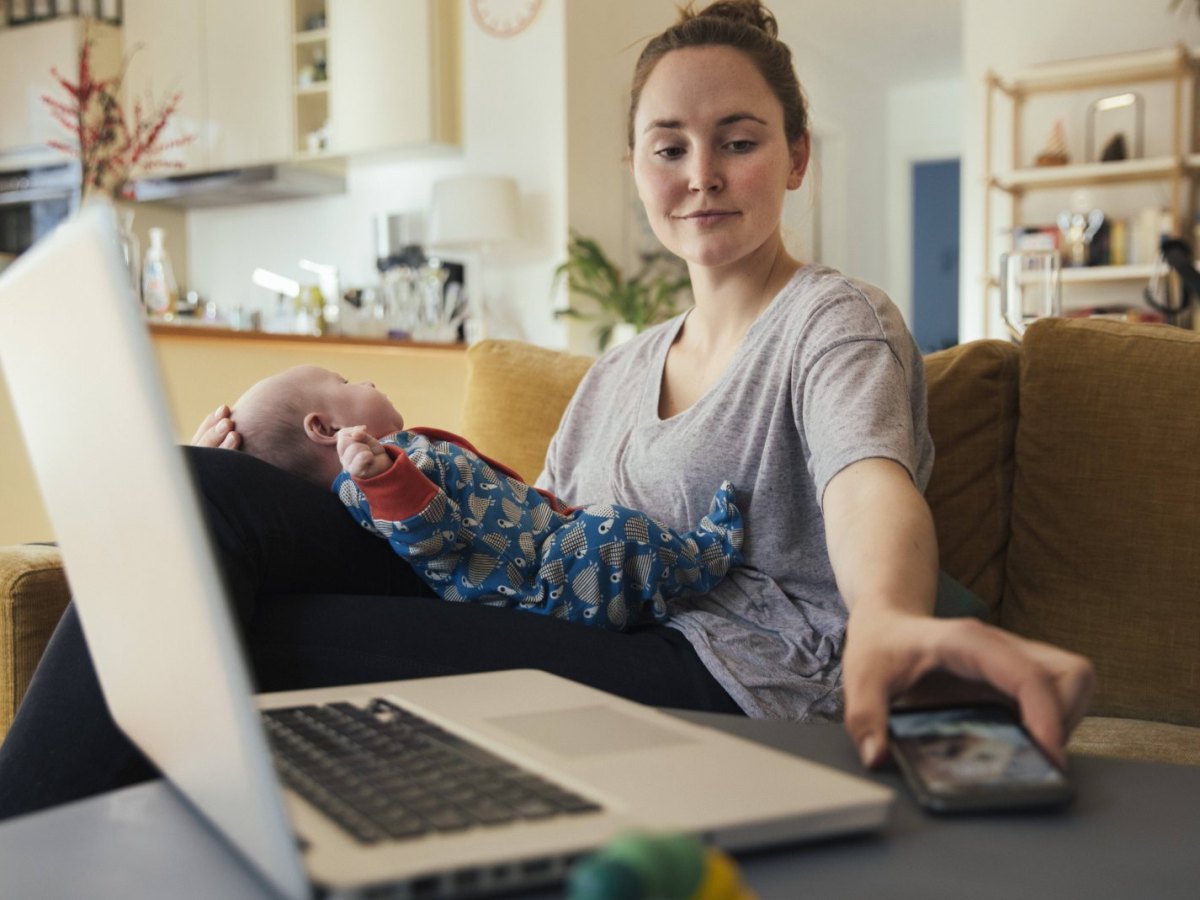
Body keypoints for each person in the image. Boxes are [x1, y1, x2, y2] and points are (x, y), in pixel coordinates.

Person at [0, 0, 1092, 821]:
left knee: (231, 636)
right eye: (670, 147)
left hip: (731, 673)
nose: (702, 174)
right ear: (637, 169)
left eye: (740, 139)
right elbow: (528, 541)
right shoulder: (618, 371)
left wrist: (891, 617)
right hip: (577, 622)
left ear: (795, 156)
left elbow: (869, 483)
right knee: (195, 496)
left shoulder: (833, 320)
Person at [230, 364, 744, 631]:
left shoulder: (398, 455)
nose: (364, 379)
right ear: (326, 427)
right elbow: (433, 538)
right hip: (534, 592)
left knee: (601, 531)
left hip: (548, 551)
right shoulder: (365, 486)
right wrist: (381, 478)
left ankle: (656, 589)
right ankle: (703, 558)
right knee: (614, 531)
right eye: (343, 382)